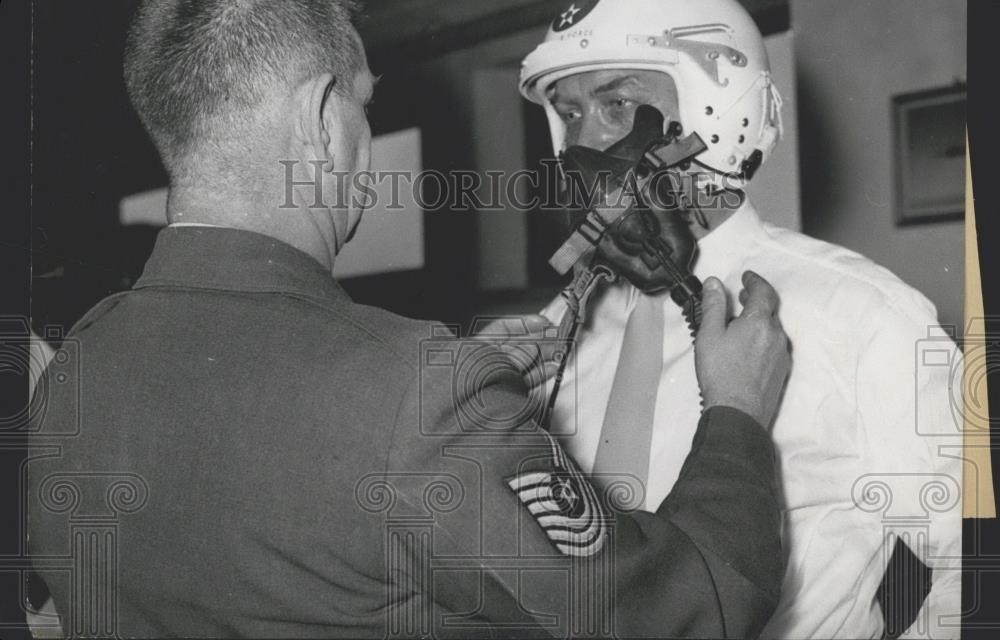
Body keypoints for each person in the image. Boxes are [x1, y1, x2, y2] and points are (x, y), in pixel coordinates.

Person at [26, 1, 793, 637]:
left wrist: (455, 388)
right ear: (322, 118)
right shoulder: (420, 401)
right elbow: (694, 609)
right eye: (364, 102)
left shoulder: (74, 368)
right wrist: (737, 415)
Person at [520, 0, 962, 638]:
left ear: (720, 109)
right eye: (569, 113)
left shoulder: (861, 315)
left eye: (616, 104)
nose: (584, 142)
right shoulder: (555, 331)